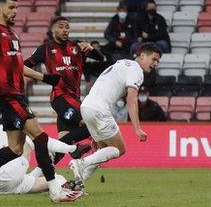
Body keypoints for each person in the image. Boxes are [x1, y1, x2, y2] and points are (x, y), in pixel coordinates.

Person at [0, 0, 81, 203]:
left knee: (16, 149)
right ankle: (55, 190)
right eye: (11, 8)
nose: (15, 11)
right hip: (8, 96)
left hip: (19, 95)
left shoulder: (13, 35)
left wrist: (44, 77)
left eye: (16, 8)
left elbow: (18, 66)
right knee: (41, 137)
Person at [69, 43, 162, 184]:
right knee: (120, 149)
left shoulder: (123, 63)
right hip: (99, 108)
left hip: (87, 106)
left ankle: (77, 183)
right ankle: (81, 162)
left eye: (158, 61)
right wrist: (137, 128)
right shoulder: (136, 71)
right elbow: (131, 100)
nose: (156, 63)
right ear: (142, 56)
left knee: (103, 151)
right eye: (154, 59)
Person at [24, 16, 105, 164]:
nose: (65, 30)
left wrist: (92, 49)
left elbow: (101, 58)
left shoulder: (77, 46)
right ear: (53, 29)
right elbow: (23, 66)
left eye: (67, 27)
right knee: (92, 126)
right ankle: (72, 150)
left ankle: (43, 173)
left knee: (63, 142)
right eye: (61, 26)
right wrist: (42, 77)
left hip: (74, 98)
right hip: (60, 97)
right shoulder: (45, 49)